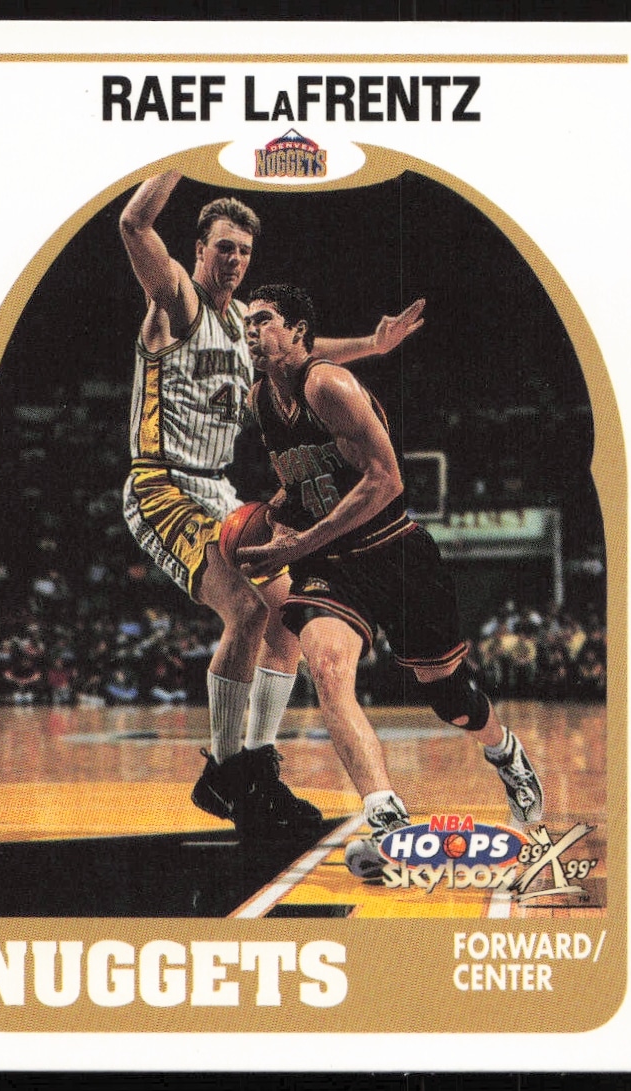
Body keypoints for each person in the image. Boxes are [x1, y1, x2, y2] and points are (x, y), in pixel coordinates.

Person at [119, 173, 425, 839]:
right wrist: (177, 154)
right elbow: (134, 225)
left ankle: (256, 763)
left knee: (288, 610)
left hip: (218, 490)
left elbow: (303, 349)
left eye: (244, 251)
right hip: (163, 486)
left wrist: (372, 347)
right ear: (198, 250)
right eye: (223, 247)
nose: (234, 259)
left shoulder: (244, 326)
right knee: (246, 608)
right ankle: (225, 772)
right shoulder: (177, 301)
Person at [237, 284, 544, 877]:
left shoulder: (329, 386)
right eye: (247, 321)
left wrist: (298, 542)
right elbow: (303, 480)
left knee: (452, 701)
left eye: (264, 319)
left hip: (394, 553)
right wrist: (276, 514)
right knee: (328, 670)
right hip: (331, 565)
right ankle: (388, 822)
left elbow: (386, 480)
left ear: (297, 332)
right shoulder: (261, 401)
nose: (251, 329)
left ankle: (504, 751)